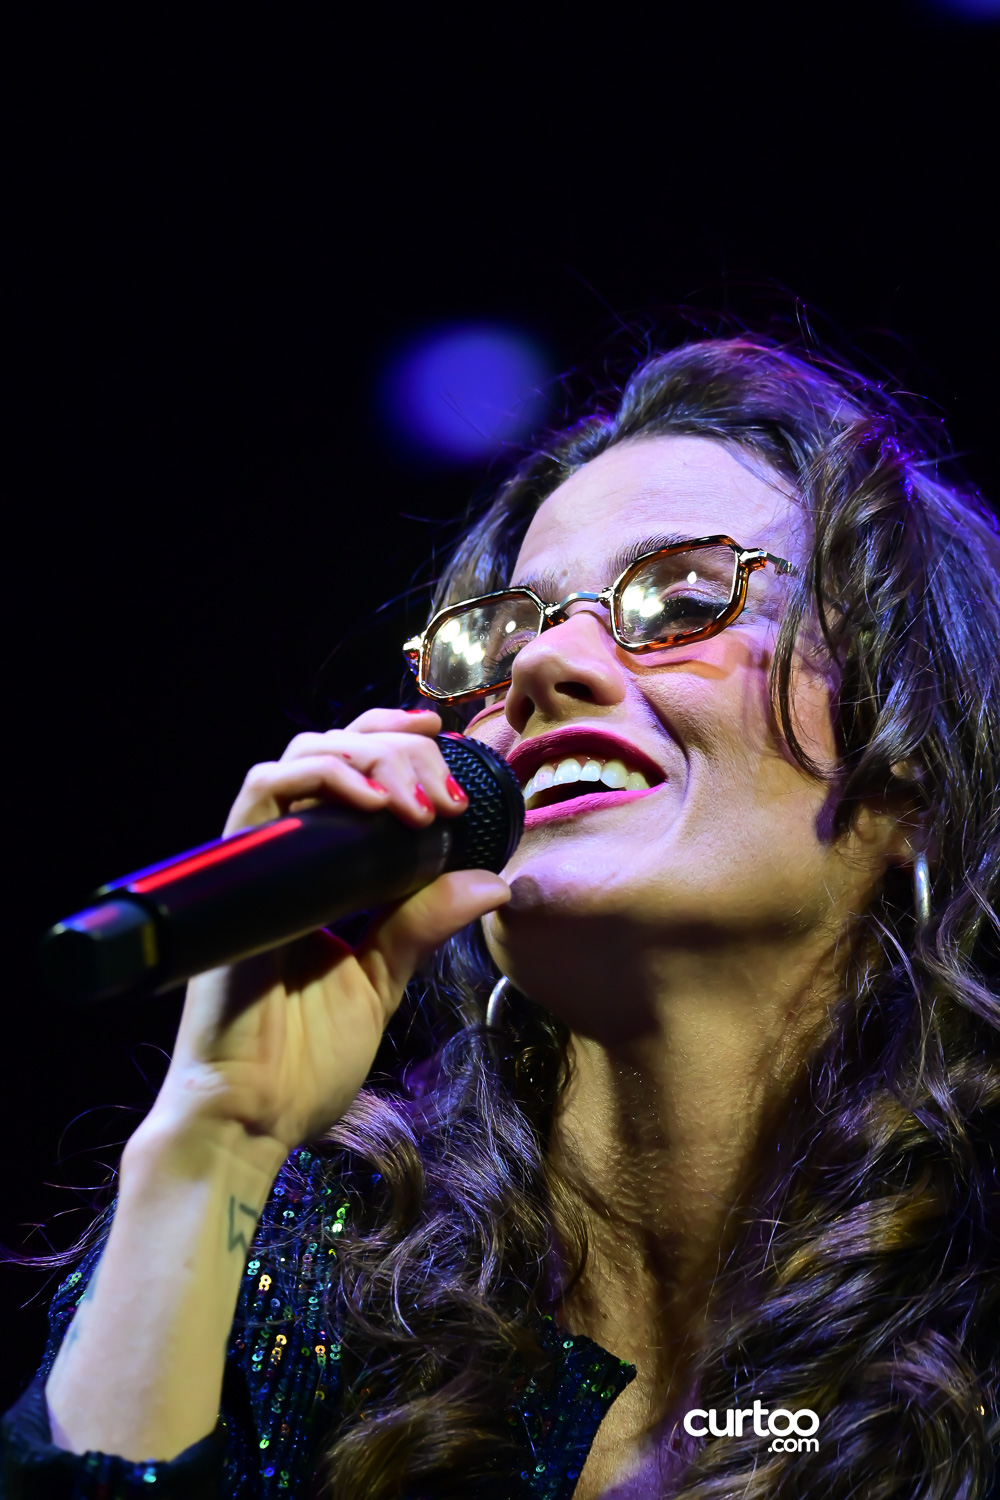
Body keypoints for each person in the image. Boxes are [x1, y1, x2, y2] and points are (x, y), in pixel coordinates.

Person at [2, 335, 998, 1500]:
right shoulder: (325, 1273)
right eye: (503, 638)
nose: (542, 668)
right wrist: (213, 1136)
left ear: (909, 772)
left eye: (681, 599)